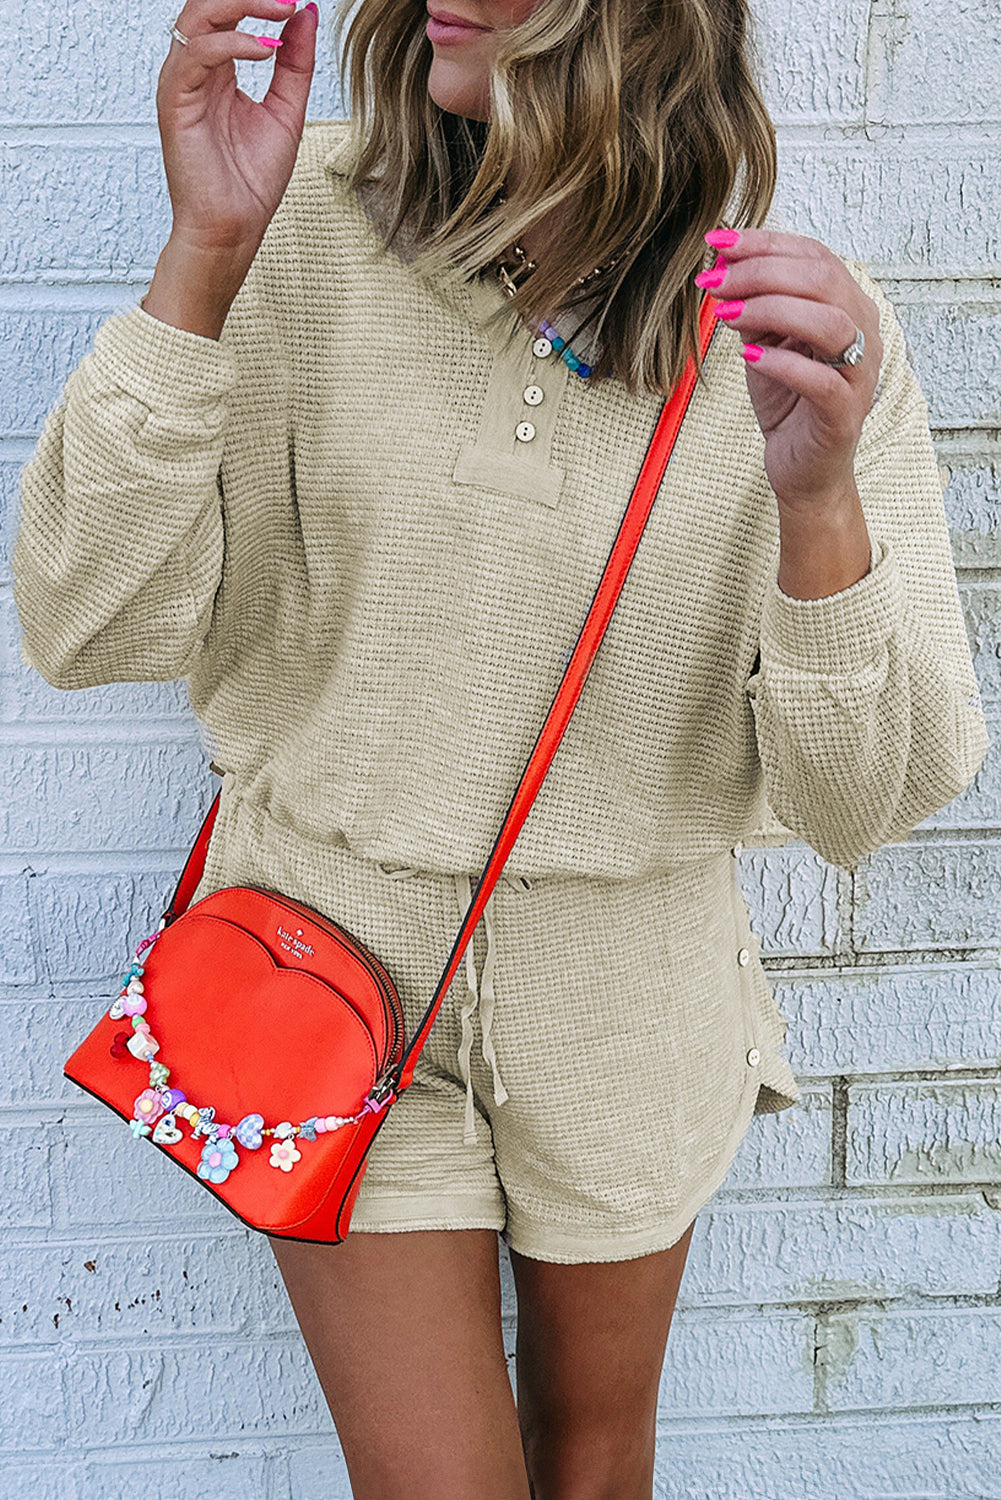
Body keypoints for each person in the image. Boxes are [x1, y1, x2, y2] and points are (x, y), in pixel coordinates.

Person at [12, 0, 988, 1495]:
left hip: (626, 998)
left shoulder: (785, 325)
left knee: (596, 1467)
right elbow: (83, 624)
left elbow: (858, 803)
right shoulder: (292, 223)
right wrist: (203, 252)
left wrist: (815, 506)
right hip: (328, 976)